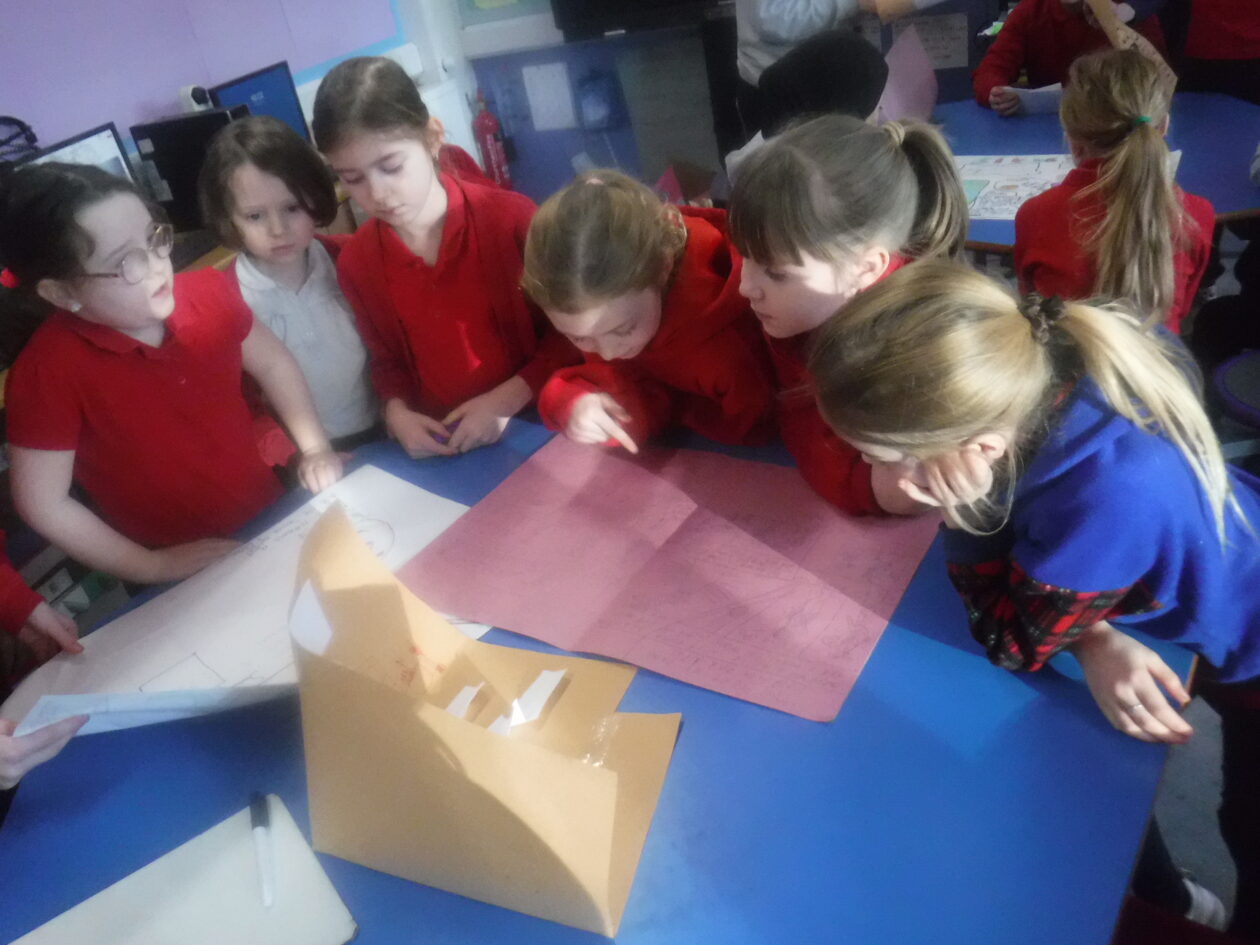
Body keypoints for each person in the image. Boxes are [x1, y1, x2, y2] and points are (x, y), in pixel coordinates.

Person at [809, 260, 1260, 937]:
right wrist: (1096, 635)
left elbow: (1013, 640)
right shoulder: (1055, 350)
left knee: (1247, 824)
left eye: (883, 455)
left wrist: (970, 513)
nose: (873, 470)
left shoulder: (1106, 501)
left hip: (1249, 659)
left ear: (982, 447)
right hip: (1228, 568)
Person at [0, 162, 341, 585]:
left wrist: (314, 447)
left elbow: (274, 364)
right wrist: (151, 566)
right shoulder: (47, 373)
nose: (158, 265)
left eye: (154, 238)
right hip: (174, 566)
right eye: (126, 262)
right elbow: (43, 503)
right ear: (61, 292)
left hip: (269, 513)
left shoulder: (207, 294)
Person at [313, 56, 578, 457]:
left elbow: (571, 334)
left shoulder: (512, 221)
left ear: (432, 137)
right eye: (353, 179)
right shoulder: (358, 264)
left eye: (391, 167)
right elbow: (386, 364)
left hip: (538, 426)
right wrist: (397, 414)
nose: (377, 194)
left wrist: (506, 400)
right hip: (445, 449)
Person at [728, 114, 967, 514]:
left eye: (775, 273)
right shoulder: (806, 288)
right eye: (744, 256)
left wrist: (900, 484)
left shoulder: (916, 355)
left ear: (866, 268)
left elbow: (893, 485)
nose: (744, 285)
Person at [523, 171, 775, 451]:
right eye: (578, 337)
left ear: (663, 268)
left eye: (623, 330)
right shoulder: (616, 314)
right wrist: (575, 402)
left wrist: (667, 412)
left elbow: (757, 427)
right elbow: (640, 392)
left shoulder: (730, 351)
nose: (607, 352)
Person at [199, 116, 379, 455]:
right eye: (255, 216)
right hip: (303, 460)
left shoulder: (349, 259)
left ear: (314, 197)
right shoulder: (227, 302)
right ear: (229, 218)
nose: (278, 230)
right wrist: (300, 458)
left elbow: (390, 350)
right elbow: (245, 407)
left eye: (292, 208)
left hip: (385, 431)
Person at [1014, 48, 1213, 332]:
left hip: (1065, 359)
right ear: (1163, 127)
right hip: (1157, 359)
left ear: (1072, 139)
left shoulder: (1036, 214)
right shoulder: (1195, 214)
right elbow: (1180, 311)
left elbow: (1031, 307)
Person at [973, 0, 1166, 114]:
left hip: (1117, 122)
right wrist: (995, 94)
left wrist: (1114, 22)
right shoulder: (1031, 11)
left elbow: (1159, 79)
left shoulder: (1129, 11)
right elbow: (990, 70)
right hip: (1047, 126)